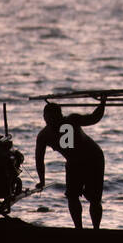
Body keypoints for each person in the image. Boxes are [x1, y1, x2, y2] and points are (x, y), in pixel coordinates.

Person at [36, 96, 107, 229]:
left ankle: (96, 229)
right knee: (72, 195)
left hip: (93, 158)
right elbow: (39, 159)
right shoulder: (44, 135)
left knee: (94, 198)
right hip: (74, 162)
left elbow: (93, 118)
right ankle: (78, 229)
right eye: (48, 118)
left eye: (55, 118)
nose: (52, 122)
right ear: (44, 118)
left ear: (61, 116)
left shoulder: (72, 120)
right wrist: (42, 180)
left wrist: (102, 103)